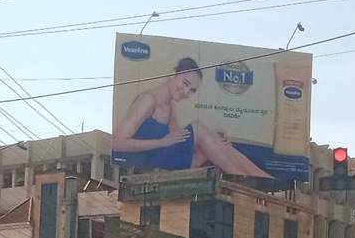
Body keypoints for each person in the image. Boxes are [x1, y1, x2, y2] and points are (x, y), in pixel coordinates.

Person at [112, 58, 271, 178]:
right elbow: (118, 143)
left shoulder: (171, 106)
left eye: (192, 90)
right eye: (185, 83)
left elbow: (180, 139)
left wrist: (212, 136)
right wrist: (160, 142)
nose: (186, 92)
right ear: (173, 74)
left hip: (168, 162)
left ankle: (261, 176)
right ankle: (248, 178)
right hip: (148, 162)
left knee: (216, 140)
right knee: (197, 127)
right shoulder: (147, 101)